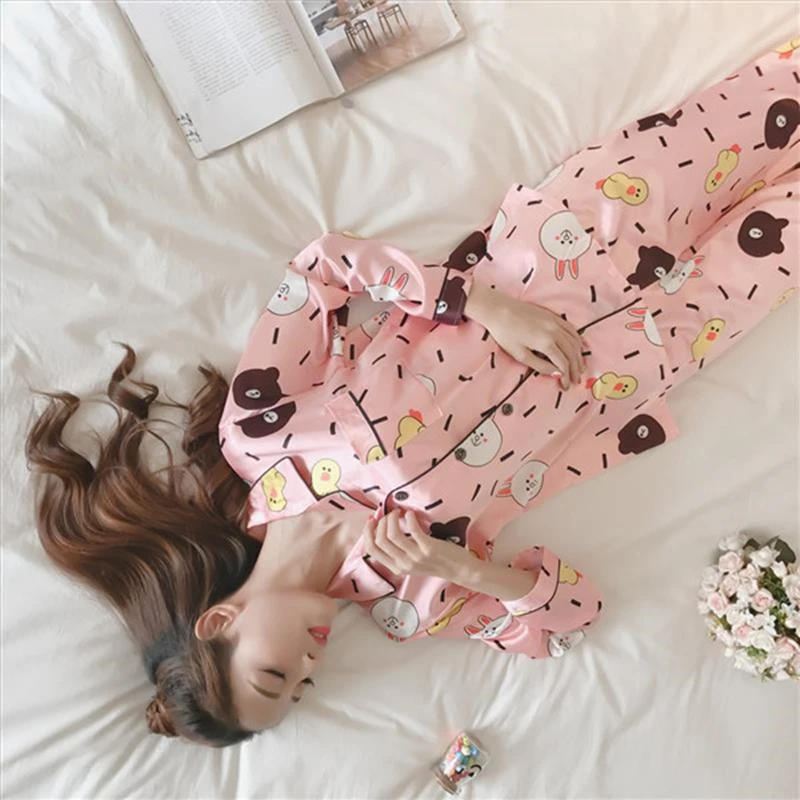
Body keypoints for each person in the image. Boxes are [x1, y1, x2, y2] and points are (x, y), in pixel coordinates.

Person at [26, 40, 799, 747]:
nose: (306, 668)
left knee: (779, 93)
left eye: (274, 674)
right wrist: (466, 571)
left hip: (564, 246)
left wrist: (477, 303)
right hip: (656, 349)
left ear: (221, 621)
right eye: (300, 689)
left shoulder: (260, 437)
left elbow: (321, 273)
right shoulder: (408, 601)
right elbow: (569, 618)